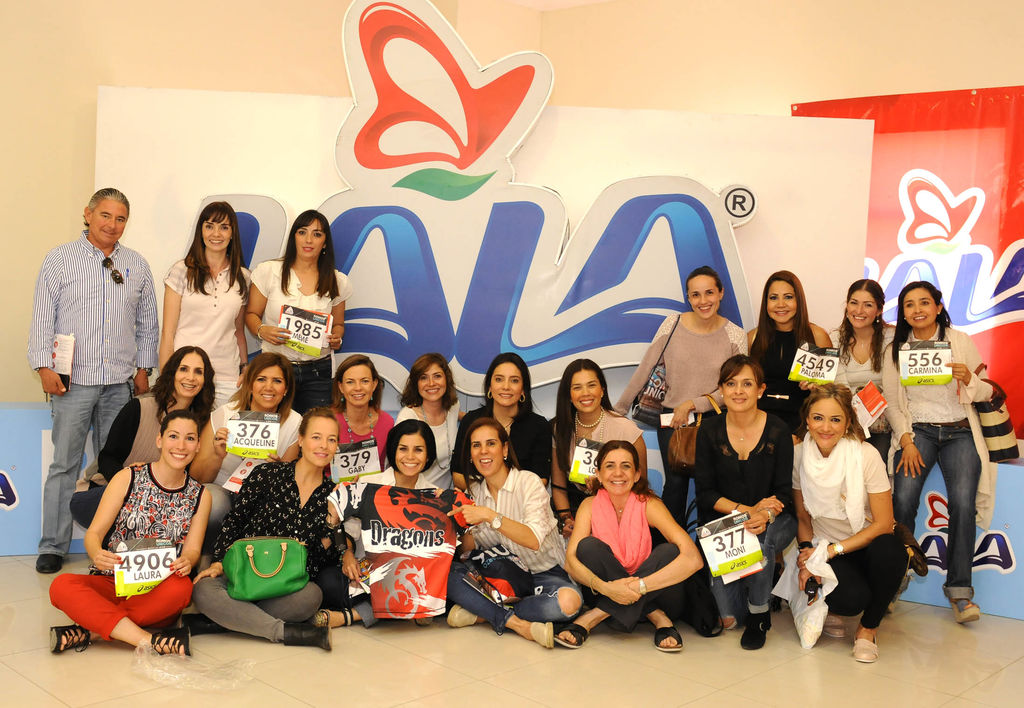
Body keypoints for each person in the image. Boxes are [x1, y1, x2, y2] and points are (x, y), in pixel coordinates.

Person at [28, 188, 159, 574]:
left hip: (120, 382)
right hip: (73, 382)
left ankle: (109, 544)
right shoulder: (60, 259)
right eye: (105, 215)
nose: (112, 225)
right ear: (88, 214)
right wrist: (43, 366)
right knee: (64, 465)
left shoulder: (136, 264)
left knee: (116, 467)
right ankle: (53, 545)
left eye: (120, 219)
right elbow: (42, 317)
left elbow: (147, 323)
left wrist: (143, 369)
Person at [48, 410, 211, 656]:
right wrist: (96, 552)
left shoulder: (201, 495)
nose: (181, 445)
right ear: (159, 440)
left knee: (182, 590)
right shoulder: (128, 477)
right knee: (61, 586)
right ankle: (147, 639)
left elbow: (193, 550)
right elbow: (94, 533)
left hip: (157, 587)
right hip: (112, 580)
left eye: (189, 438)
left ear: (198, 445)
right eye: (173, 436)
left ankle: (92, 630)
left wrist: (188, 560)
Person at [883, 281, 995, 624]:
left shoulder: (959, 341)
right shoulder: (896, 348)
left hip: (960, 430)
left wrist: (969, 379)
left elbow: (986, 391)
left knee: (962, 502)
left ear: (938, 306)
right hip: (918, 431)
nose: (917, 310)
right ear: (903, 312)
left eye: (924, 302)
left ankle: (960, 592)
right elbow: (892, 404)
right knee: (903, 499)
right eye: (909, 304)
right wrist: (906, 441)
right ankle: (893, 579)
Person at [189, 408, 342, 650]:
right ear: (300, 440)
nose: (324, 445)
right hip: (243, 574)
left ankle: (223, 620)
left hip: (285, 586)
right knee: (203, 589)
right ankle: (284, 632)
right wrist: (218, 562)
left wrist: (332, 522)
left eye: (331, 439)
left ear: (336, 446)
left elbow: (316, 563)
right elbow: (235, 521)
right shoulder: (267, 474)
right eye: (316, 437)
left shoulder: (333, 495)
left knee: (312, 595)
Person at [614, 266, 747, 526]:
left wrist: (693, 404)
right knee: (675, 485)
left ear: (721, 293)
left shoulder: (736, 335)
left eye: (709, 292)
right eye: (695, 295)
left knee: (711, 488)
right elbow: (646, 368)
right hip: (672, 419)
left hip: (715, 420)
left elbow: (736, 388)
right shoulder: (672, 324)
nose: (703, 301)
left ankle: (707, 549)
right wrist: (619, 410)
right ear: (688, 297)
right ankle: (668, 545)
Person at [793, 384, 906, 662]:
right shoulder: (798, 456)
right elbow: (803, 518)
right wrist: (807, 556)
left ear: (847, 423)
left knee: (891, 550)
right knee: (850, 599)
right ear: (807, 420)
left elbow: (883, 523)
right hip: (826, 545)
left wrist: (834, 550)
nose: (825, 428)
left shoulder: (866, 455)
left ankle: (868, 629)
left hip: (865, 544)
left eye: (835, 419)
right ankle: (839, 605)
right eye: (818, 418)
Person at [446, 418, 583, 648]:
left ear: (505, 449)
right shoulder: (473, 493)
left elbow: (533, 540)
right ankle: (518, 624)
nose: (483, 451)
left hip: (543, 573)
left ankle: (482, 613)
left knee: (569, 603)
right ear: (470, 454)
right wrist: (458, 520)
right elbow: (468, 553)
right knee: (449, 572)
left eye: (491, 443)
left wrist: (490, 516)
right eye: (476, 445)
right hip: (501, 576)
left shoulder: (529, 482)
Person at [557, 441, 703, 651]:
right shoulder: (588, 506)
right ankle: (656, 615)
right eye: (610, 466)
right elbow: (570, 562)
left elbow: (693, 559)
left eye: (626, 466)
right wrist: (607, 589)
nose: (618, 473)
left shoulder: (650, 504)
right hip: (604, 592)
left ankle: (595, 616)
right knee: (587, 547)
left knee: (670, 552)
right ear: (598, 474)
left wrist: (638, 587)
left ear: (636, 475)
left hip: (655, 593)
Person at [693, 355, 795, 649]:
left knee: (761, 538)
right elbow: (705, 494)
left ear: (760, 390)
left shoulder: (779, 430)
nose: (738, 391)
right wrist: (748, 511)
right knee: (729, 617)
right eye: (731, 384)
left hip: (775, 520)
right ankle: (762, 585)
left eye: (747, 384)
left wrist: (763, 515)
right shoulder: (709, 430)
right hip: (725, 523)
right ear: (721, 390)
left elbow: (784, 494)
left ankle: (759, 617)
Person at [327, 420, 472, 627]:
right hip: (366, 571)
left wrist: (457, 506)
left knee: (448, 579)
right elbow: (347, 530)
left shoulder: (435, 496)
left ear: (428, 455)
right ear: (393, 451)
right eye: (403, 449)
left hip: (411, 576)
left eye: (418, 450)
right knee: (329, 583)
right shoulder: (369, 485)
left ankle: (354, 615)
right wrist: (347, 555)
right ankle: (412, 609)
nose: (410, 457)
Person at [69, 345, 215, 528]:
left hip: (160, 501)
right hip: (103, 492)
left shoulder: (203, 423)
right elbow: (107, 459)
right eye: (183, 369)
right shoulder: (139, 407)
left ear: (205, 379)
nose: (191, 377)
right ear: (172, 373)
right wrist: (132, 479)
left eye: (198, 372)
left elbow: (192, 478)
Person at [246, 210, 352, 414]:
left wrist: (336, 337)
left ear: (325, 243)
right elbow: (251, 314)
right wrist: (262, 330)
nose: (309, 240)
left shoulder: (337, 281)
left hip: (318, 372)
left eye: (317, 234)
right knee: (272, 426)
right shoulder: (269, 271)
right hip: (275, 369)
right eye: (302, 232)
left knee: (315, 429)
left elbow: (338, 324)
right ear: (294, 236)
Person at [190, 352, 301, 542]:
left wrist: (277, 470)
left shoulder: (294, 422)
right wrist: (217, 456)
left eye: (277, 381)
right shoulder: (225, 415)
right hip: (222, 491)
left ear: (286, 389)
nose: (269, 387)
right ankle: (209, 555)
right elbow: (196, 479)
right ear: (249, 385)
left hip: (262, 499)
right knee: (212, 501)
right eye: (261, 379)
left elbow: (287, 489)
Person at [160, 201, 250, 407]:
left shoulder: (243, 277)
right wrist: (166, 379)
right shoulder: (181, 270)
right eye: (209, 226)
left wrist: (245, 367)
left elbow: (238, 332)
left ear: (232, 233)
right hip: (187, 375)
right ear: (200, 231)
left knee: (222, 429)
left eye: (224, 227)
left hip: (227, 376)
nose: (216, 234)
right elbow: (168, 333)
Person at [551, 359, 647, 535]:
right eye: (577, 387)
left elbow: (640, 487)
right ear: (569, 395)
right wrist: (566, 518)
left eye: (591, 385)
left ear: (602, 390)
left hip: (620, 514)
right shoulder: (560, 428)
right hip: (576, 511)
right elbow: (558, 486)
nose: (585, 393)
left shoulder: (626, 429)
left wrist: (604, 485)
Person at [748, 270, 831, 433]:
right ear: (765, 303)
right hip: (759, 423)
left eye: (788, 297)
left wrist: (817, 387)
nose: (780, 304)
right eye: (773, 298)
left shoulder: (817, 336)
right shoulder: (753, 337)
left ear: (799, 300)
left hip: (804, 424)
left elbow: (829, 391)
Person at [453, 352, 552, 487]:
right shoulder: (471, 421)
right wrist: (487, 492)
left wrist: (506, 494)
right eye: (499, 379)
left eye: (514, 380)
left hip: (523, 500)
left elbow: (541, 479)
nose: (506, 386)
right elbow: (458, 474)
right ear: (490, 386)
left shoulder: (539, 426)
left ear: (523, 389)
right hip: (477, 498)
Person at [830, 279, 894, 462]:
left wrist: (868, 412)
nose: (859, 311)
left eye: (868, 305)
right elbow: (840, 387)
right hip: (846, 419)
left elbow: (892, 387)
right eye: (854, 303)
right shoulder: (835, 338)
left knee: (874, 463)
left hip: (881, 422)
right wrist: (854, 420)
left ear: (879, 310)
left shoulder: (891, 337)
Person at [395, 353, 461, 489]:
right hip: (415, 494)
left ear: (446, 379)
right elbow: (398, 466)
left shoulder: (453, 408)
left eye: (437, 376)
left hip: (444, 496)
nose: (431, 383)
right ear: (416, 384)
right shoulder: (407, 418)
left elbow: (462, 417)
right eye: (423, 378)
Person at [332, 354, 394, 471]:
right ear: (341, 387)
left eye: (365, 381)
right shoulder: (327, 421)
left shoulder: (387, 423)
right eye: (350, 382)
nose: (358, 388)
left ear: (374, 384)